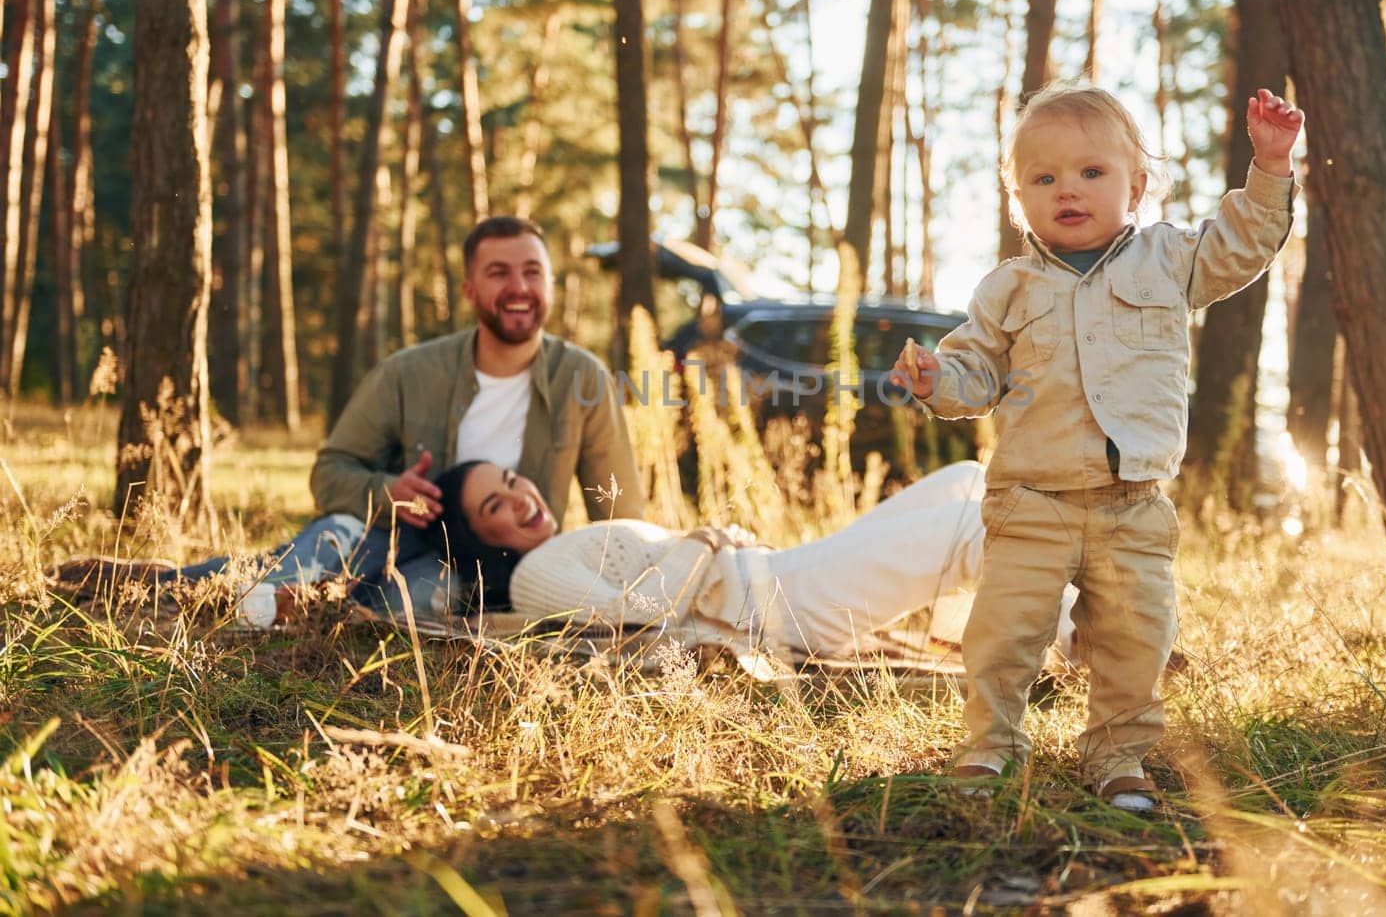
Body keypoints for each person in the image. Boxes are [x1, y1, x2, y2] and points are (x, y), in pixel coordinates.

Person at [890, 83, 1303, 810]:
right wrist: (934, 378)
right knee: (1002, 636)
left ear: (1136, 186)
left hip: (1133, 504)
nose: (1066, 191)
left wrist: (1269, 166)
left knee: (1134, 639)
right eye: (1042, 179)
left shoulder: (1169, 261)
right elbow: (976, 370)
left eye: (1090, 172)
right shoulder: (1007, 288)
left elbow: (1242, 246)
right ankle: (989, 748)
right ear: (1020, 198)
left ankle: (1118, 757)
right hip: (1030, 502)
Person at [56, 216, 645, 621]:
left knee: (406, 608)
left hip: (494, 574)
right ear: (470, 288)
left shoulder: (582, 379)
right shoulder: (409, 373)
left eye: (532, 272)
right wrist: (387, 492)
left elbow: (619, 514)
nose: (519, 288)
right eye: (499, 273)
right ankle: (155, 584)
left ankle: (301, 607)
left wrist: (620, 591)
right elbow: (330, 472)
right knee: (320, 548)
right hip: (391, 536)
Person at [424, 459, 1083, 667]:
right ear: (485, 539)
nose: (519, 499)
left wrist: (712, 544)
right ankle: (1092, 637)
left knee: (966, 478)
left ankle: (957, 638)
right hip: (777, 606)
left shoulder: (573, 535)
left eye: (511, 481)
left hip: (781, 573)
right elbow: (638, 615)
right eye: (495, 506)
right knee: (968, 525)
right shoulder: (534, 575)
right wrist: (705, 542)